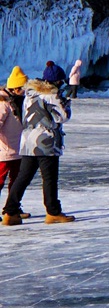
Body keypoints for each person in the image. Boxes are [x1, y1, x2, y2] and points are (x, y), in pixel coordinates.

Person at [5, 70, 72, 224]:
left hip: (28, 141)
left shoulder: (30, 94)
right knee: (49, 178)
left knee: (23, 177)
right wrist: (66, 103)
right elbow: (62, 117)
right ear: (57, 81)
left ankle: (10, 212)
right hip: (46, 141)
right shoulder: (51, 95)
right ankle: (53, 211)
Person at [0, 69, 23, 215]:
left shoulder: (19, 101)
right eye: (22, 87)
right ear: (15, 88)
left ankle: (12, 208)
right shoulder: (3, 103)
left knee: (16, 182)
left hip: (19, 149)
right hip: (5, 150)